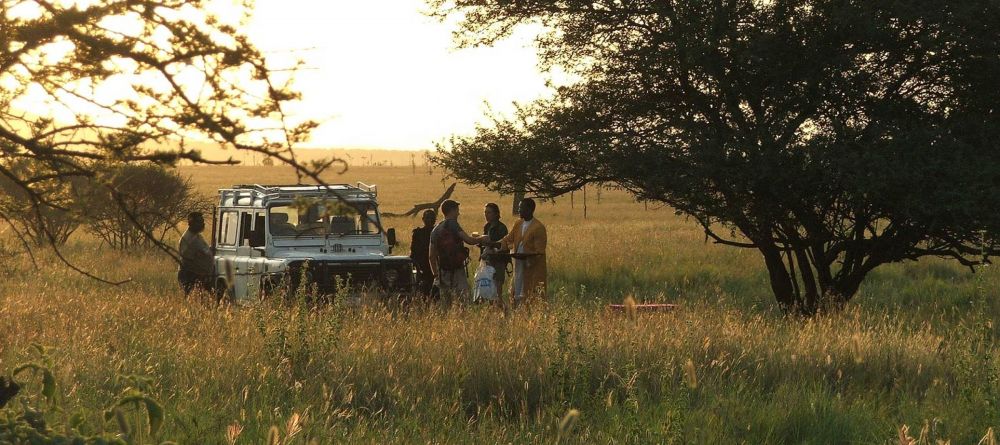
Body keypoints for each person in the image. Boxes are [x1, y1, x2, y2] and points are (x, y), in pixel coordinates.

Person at [429, 199, 488, 301]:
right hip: (457, 270)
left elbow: (431, 256)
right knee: (463, 300)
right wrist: (482, 238)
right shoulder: (453, 224)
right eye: (457, 210)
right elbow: (469, 240)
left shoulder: (435, 229)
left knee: (447, 302)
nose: (458, 213)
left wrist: (435, 275)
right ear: (452, 210)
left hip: (443, 271)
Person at [495, 198, 547, 305]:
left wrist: (524, 256)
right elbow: (508, 238)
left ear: (529, 209)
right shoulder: (518, 223)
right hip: (518, 265)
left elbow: (539, 252)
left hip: (531, 268)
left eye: (521, 208)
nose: (518, 210)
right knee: (516, 292)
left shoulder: (538, 227)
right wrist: (494, 244)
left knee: (530, 294)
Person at [178, 211, 215, 296]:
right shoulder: (188, 239)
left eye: (202, 221)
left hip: (201, 276)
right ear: (191, 223)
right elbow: (187, 260)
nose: (203, 224)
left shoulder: (197, 236)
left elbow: (202, 251)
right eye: (199, 222)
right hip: (191, 276)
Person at [481, 202, 510, 304]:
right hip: (488, 262)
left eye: (489, 212)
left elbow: (503, 246)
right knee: (489, 291)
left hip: (498, 262)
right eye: (485, 212)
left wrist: (489, 245)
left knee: (498, 292)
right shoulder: (487, 226)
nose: (486, 215)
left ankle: (503, 312)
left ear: (496, 214)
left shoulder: (501, 227)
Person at [409, 209, 436, 298]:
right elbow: (413, 251)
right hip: (424, 265)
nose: (429, 220)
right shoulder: (437, 232)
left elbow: (413, 252)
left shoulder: (418, 233)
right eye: (427, 218)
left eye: (430, 218)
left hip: (427, 265)